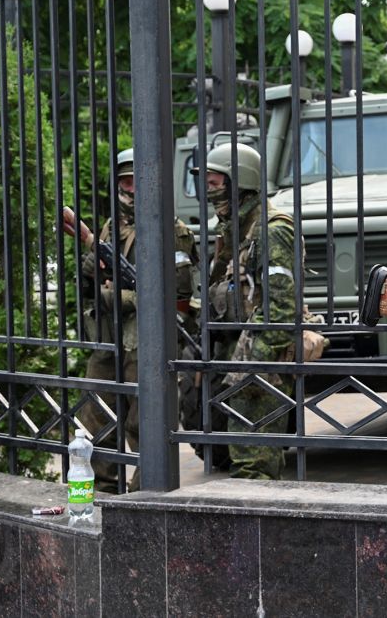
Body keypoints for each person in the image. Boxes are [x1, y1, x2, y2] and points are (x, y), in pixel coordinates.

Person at [78, 148, 200, 492]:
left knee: (142, 421)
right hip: (109, 340)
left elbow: (176, 298)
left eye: (138, 182)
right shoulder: (109, 228)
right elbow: (96, 284)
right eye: (125, 182)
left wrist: (120, 297)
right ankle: (103, 488)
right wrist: (89, 274)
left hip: (147, 340)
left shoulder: (172, 231)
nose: (131, 190)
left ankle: (146, 492)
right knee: (97, 415)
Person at [199, 142, 297, 480]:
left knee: (255, 466)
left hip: (259, 365)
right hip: (238, 359)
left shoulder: (271, 231)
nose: (207, 192)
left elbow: (281, 308)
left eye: (213, 183)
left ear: (238, 182)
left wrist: (254, 366)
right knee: (238, 458)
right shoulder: (233, 232)